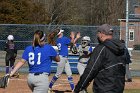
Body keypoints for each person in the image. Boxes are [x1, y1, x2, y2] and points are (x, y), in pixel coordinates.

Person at [74, 24, 126, 93]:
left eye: (98, 34)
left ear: (101, 34)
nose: (97, 36)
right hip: (119, 88)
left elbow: (90, 70)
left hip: (103, 88)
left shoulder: (101, 48)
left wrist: (78, 88)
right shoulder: (122, 48)